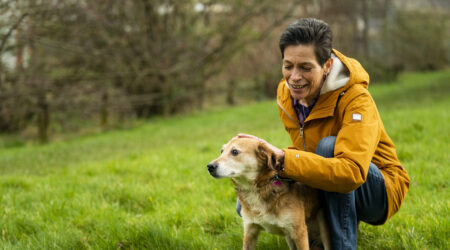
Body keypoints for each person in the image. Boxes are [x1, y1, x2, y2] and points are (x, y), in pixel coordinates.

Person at [236, 18, 410, 250]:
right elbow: (304, 149)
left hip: (378, 190)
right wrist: (269, 162)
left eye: (305, 68)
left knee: (329, 148)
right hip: (327, 173)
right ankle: (320, 235)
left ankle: (341, 245)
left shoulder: (356, 99)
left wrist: (286, 159)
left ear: (327, 65)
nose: (294, 77)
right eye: (288, 66)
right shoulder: (286, 94)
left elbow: (351, 172)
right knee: (250, 201)